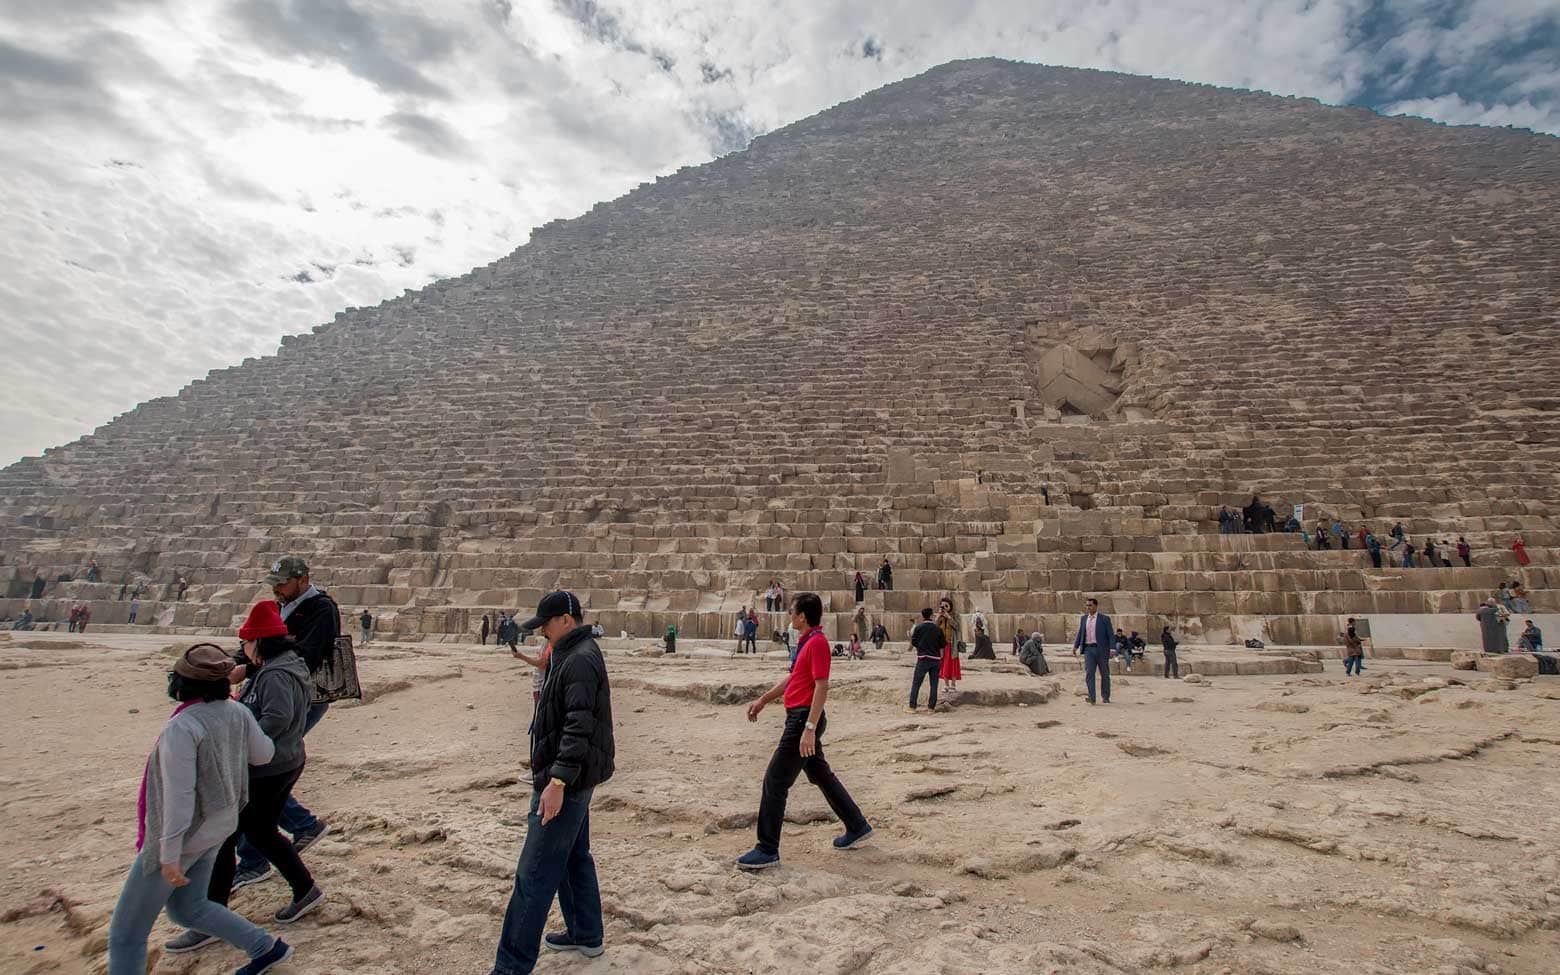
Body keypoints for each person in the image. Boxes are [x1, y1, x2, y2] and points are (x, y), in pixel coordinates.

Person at [107, 644, 294, 975]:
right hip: (219, 825)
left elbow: (179, 797)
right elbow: (264, 754)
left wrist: (168, 853)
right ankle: (265, 947)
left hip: (183, 837)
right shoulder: (237, 712)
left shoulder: (183, 727)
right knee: (188, 909)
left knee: (126, 936)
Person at [164, 602, 323, 955]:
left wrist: (243, 739)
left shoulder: (276, 674)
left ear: (260, 643)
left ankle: (211, 917)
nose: (244, 650)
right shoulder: (279, 667)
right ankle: (305, 889)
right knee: (262, 832)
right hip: (284, 761)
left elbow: (277, 717)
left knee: (226, 837)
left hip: (268, 766)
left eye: (246, 643)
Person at [490, 591, 614, 974]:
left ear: (565, 619)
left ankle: (511, 967)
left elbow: (579, 725)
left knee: (534, 873)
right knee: (574, 857)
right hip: (574, 774)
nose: (541, 632)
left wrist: (557, 780)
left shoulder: (578, 659)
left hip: (567, 779)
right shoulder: (572, 652)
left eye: (545, 624)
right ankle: (585, 933)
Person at [736, 592, 871, 870]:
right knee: (822, 775)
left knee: (775, 781)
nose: (788, 615)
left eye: (792, 611)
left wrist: (809, 728)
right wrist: (763, 700)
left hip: (802, 721)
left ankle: (767, 848)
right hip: (800, 718)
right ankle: (857, 825)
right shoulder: (807, 641)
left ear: (802, 616)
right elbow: (793, 678)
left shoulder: (818, 643)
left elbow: (822, 686)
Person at [230, 557, 337, 890]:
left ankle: (254, 859)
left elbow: (308, 654)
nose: (276, 589)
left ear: (303, 580)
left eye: (282, 583)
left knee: (262, 772)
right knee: (264, 771)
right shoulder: (280, 606)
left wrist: (252, 667)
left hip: (301, 697)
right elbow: (255, 641)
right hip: (273, 692)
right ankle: (299, 827)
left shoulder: (321, 609)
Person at [1072, 597, 1114, 705]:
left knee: (1104, 673)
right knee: (1089, 673)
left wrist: (1112, 648)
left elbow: (1110, 635)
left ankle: (1105, 696)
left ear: (1096, 606)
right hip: (1088, 649)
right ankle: (1092, 697)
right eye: (1087, 605)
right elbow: (1081, 633)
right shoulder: (1084, 618)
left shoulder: (1104, 619)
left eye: (1090, 605)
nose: (1088, 607)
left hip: (1101, 649)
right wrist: (1075, 646)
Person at [907, 608, 945, 712]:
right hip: (935, 659)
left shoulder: (919, 628)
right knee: (934, 684)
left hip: (923, 658)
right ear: (932, 615)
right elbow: (943, 644)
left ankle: (912, 707)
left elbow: (913, 642)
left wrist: (921, 647)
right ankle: (931, 708)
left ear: (923, 616)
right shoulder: (938, 629)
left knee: (916, 683)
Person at [936, 596, 962, 696]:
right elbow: (934, 626)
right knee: (944, 664)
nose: (944, 607)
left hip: (952, 644)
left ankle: (953, 685)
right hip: (942, 644)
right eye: (942, 606)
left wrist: (949, 617)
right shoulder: (940, 616)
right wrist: (939, 616)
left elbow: (957, 626)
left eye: (946, 606)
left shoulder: (955, 615)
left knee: (953, 664)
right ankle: (946, 684)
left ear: (950, 606)